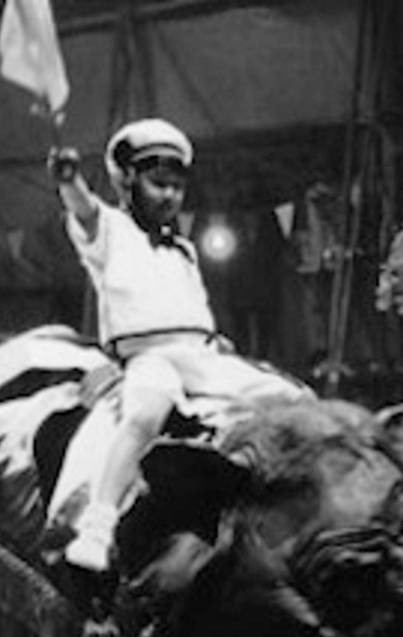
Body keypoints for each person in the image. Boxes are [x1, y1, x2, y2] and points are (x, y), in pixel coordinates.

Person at [48, 118, 309, 571]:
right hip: (149, 359)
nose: (170, 195)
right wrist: (69, 181)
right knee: (145, 414)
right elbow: (84, 209)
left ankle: (305, 505)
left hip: (202, 355)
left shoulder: (185, 250)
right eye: (158, 183)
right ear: (127, 181)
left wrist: (214, 340)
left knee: (294, 397)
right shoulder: (108, 230)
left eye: (177, 186)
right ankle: (98, 524)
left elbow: (190, 309)